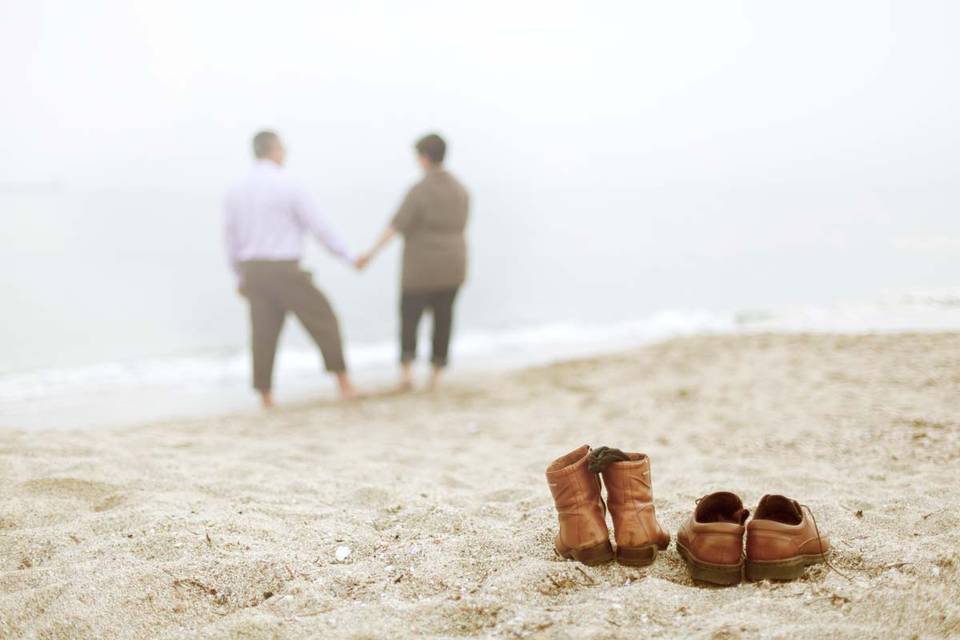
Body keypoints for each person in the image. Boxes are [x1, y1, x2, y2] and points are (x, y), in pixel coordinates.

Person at [224, 130, 357, 407]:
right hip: (284, 268)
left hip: (254, 271)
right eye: (282, 148)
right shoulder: (288, 184)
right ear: (273, 150)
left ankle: (266, 397)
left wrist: (238, 275)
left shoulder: (236, 189)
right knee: (324, 319)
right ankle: (344, 383)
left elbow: (230, 237)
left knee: (262, 333)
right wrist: (348, 256)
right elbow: (318, 227)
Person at [357, 133, 469, 390]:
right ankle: (436, 373)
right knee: (444, 318)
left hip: (421, 267)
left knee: (410, 317)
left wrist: (371, 253)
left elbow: (395, 226)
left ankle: (407, 372)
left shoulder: (419, 191)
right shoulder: (461, 190)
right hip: (454, 263)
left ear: (424, 158)